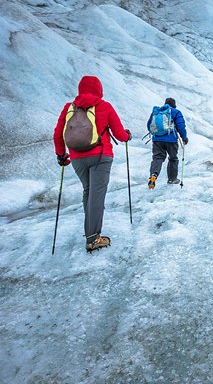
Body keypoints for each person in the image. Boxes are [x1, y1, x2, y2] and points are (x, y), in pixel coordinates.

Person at [53, 75, 131, 253]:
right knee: (96, 195)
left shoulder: (69, 108)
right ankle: (93, 238)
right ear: (99, 90)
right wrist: (128, 136)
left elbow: (58, 134)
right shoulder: (104, 106)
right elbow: (120, 134)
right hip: (101, 157)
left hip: (77, 158)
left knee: (88, 191)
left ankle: (90, 231)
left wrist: (61, 155)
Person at [147, 97, 188, 188]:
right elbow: (181, 126)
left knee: (157, 158)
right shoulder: (176, 112)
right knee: (173, 158)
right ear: (174, 105)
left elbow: (149, 125)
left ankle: (153, 175)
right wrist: (184, 138)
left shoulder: (157, 112)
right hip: (171, 140)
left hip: (157, 140)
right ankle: (172, 179)